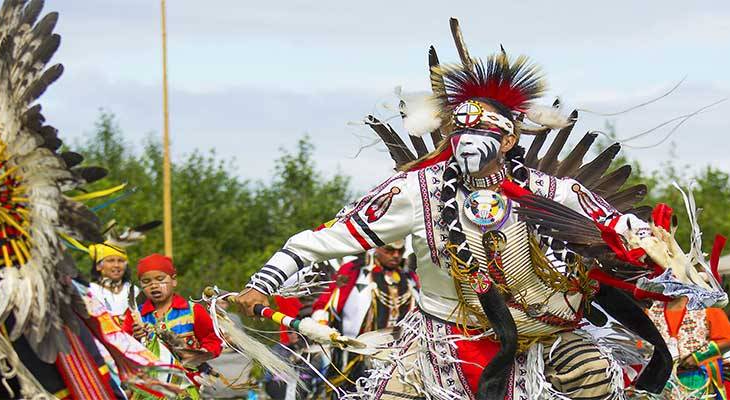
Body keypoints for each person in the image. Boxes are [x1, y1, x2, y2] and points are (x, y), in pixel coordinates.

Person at [234, 27, 680, 399]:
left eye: (483, 130)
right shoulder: (414, 191)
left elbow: (628, 230)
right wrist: (261, 285)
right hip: (441, 343)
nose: (469, 140)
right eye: (461, 129)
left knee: (594, 381)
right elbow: (325, 238)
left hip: (543, 338)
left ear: (508, 141)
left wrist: (666, 260)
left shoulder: (549, 191)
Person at [311, 240, 418, 391]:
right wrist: (321, 325)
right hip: (357, 353)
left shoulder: (409, 277)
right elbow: (327, 302)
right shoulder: (355, 269)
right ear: (377, 248)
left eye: (400, 252)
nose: (395, 255)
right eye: (389, 250)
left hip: (398, 355)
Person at [126, 254, 223, 399]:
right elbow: (121, 345)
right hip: (147, 390)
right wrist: (135, 338)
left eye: (160, 279)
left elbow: (213, 341)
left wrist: (199, 354)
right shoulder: (134, 315)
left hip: (186, 387)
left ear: (174, 280)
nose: (154, 286)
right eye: (147, 281)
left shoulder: (192, 311)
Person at [87, 242, 139, 327]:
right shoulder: (91, 290)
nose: (116, 265)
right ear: (98, 266)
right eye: (110, 261)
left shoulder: (133, 290)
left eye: (121, 261)